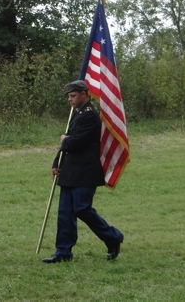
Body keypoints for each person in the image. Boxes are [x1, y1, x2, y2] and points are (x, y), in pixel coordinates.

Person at [41, 80, 124, 263]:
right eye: (69, 96)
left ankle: (113, 237)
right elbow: (67, 143)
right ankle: (63, 252)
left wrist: (64, 140)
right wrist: (56, 161)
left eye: (73, 96)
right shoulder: (76, 113)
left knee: (82, 209)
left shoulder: (89, 116)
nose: (70, 100)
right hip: (70, 170)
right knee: (65, 212)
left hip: (85, 171)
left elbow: (75, 142)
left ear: (84, 94)